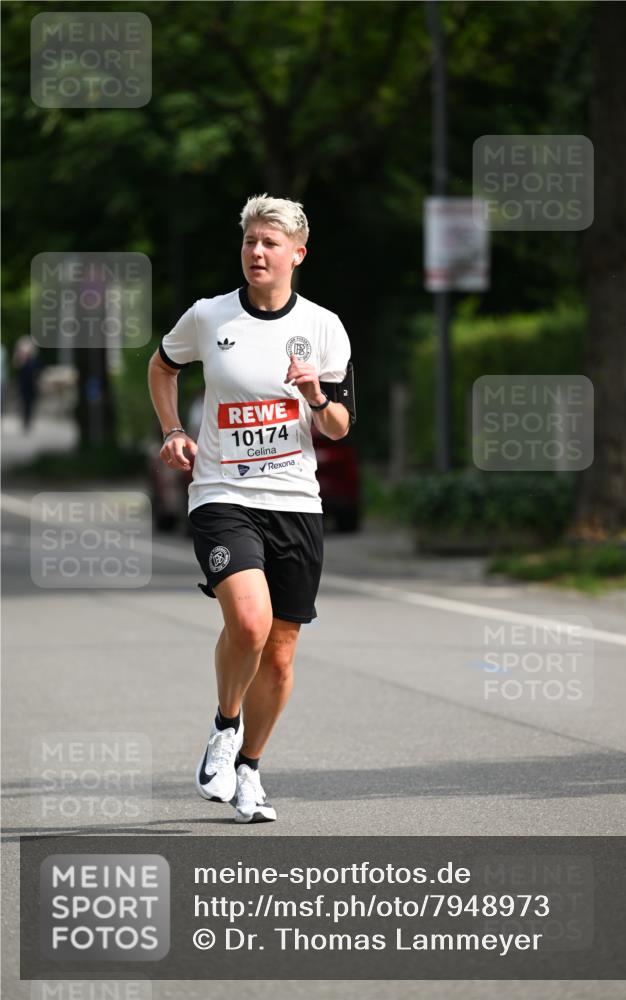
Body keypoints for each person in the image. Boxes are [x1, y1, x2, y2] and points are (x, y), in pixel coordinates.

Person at [148, 194, 352, 823]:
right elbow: (162, 367)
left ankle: (250, 771)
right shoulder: (210, 318)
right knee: (249, 623)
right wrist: (173, 430)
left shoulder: (324, 327)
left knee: (282, 651)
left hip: (295, 500)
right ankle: (224, 725)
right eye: (250, 242)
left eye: (269, 243)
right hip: (222, 494)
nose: (256, 252)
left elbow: (341, 427)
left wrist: (317, 395)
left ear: (297, 254)